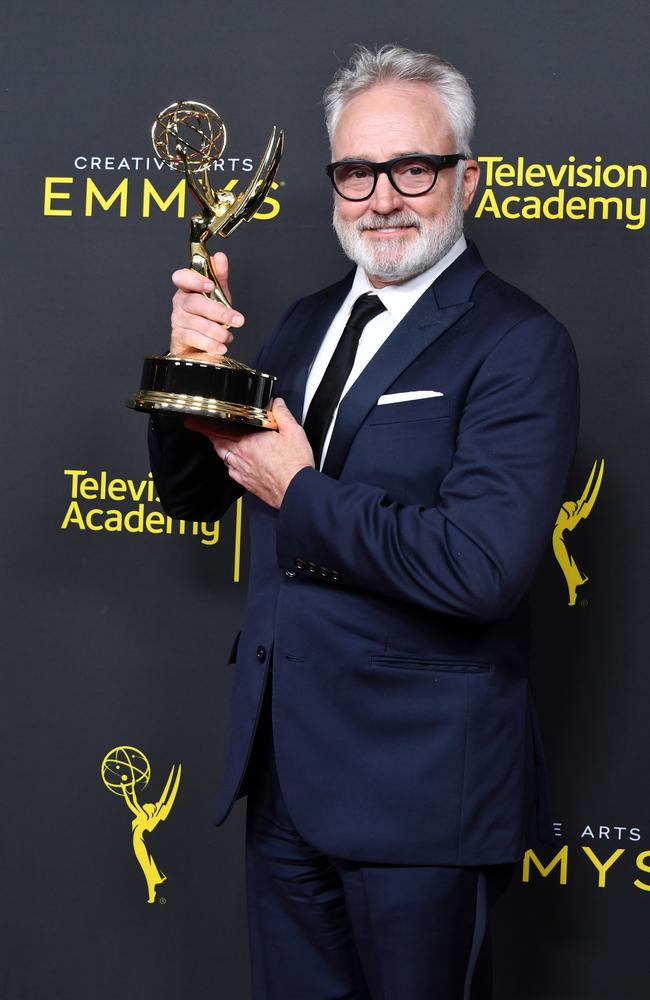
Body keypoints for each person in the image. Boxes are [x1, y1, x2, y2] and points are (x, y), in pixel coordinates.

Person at [148, 45, 579, 1000]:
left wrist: (299, 491)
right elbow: (193, 496)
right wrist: (191, 374)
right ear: (333, 183)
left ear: (465, 177)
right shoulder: (302, 324)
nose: (382, 197)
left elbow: (481, 567)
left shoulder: (518, 342)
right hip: (284, 775)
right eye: (356, 172)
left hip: (423, 789)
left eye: (412, 168)